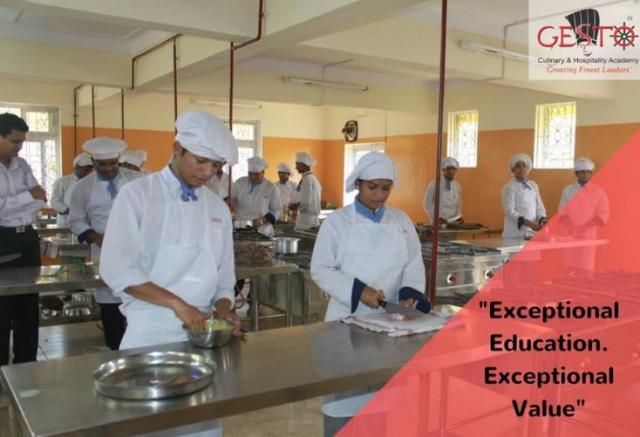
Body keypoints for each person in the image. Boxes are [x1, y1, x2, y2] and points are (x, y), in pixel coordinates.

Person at [100, 110, 241, 437]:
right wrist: (179, 305)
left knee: (201, 427)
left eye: (216, 166)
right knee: (147, 426)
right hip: (150, 332)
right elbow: (117, 267)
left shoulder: (217, 208)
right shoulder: (138, 195)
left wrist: (224, 310)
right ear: (177, 148)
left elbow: (224, 275)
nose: (207, 172)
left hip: (204, 339)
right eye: (201, 161)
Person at [310, 151, 430, 435]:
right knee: (344, 399)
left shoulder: (401, 222)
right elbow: (321, 269)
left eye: (386, 188)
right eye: (372, 187)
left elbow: (413, 264)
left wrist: (410, 295)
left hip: (389, 323)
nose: (379, 195)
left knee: (381, 400)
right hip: (346, 321)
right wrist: (359, 291)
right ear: (358, 184)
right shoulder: (337, 222)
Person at [69, 137, 142, 350]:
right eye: (103, 164)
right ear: (93, 162)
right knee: (110, 300)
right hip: (104, 248)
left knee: (140, 297)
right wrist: (95, 237)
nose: (109, 168)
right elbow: (76, 220)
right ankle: (115, 350)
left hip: (138, 246)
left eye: (113, 163)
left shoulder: (137, 179)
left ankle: (139, 347)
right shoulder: (83, 187)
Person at [0, 112, 46, 365]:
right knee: (2, 306)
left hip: (27, 237)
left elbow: (41, 199)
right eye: (15, 141)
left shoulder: (22, 165)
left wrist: (13, 203)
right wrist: (27, 197)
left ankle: (27, 365)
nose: (19, 147)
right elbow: (32, 197)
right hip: (2, 240)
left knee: (28, 303)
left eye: (22, 142)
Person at [557, 157, 609, 277]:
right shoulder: (568, 190)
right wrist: (570, 226)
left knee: (586, 271)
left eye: (588, 172)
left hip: (589, 237)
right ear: (576, 173)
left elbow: (603, 214)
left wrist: (585, 227)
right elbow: (562, 211)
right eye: (582, 172)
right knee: (569, 271)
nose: (585, 175)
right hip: (570, 235)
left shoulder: (598, 191)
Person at [231, 156, 282, 236]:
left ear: (263, 172)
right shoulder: (240, 183)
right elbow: (231, 197)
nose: (252, 177)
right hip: (241, 228)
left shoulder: (271, 187)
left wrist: (262, 220)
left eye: (256, 174)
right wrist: (232, 202)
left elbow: (276, 210)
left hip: (262, 230)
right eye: (250, 174)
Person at [501, 153, 547, 238]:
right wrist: (529, 223)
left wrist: (542, 219)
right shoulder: (509, 187)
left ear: (527, 168)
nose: (522, 169)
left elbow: (540, 207)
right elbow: (509, 211)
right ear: (513, 170)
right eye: (518, 166)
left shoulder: (533, 185)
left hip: (531, 232)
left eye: (524, 166)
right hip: (514, 233)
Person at [50, 152, 93, 227]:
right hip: (66, 223)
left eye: (90, 170)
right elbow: (55, 201)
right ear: (76, 167)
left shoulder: (92, 182)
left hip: (86, 223)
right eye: (85, 170)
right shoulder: (62, 182)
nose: (88, 173)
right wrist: (69, 211)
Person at [423, 157, 463, 224]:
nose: (451, 171)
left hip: (452, 223)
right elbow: (427, 205)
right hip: (438, 223)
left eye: (453, 169)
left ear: (456, 170)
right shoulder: (434, 185)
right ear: (443, 170)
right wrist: (438, 218)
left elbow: (458, 205)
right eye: (448, 169)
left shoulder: (457, 186)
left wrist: (458, 217)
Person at [290, 151, 322, 230]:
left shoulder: (306, 179)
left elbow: (306, 202)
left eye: (297, 164)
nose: (296, 167)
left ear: (303, 165)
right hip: (313, 221)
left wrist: (295, 206)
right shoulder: (313, 178)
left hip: (306, 221)